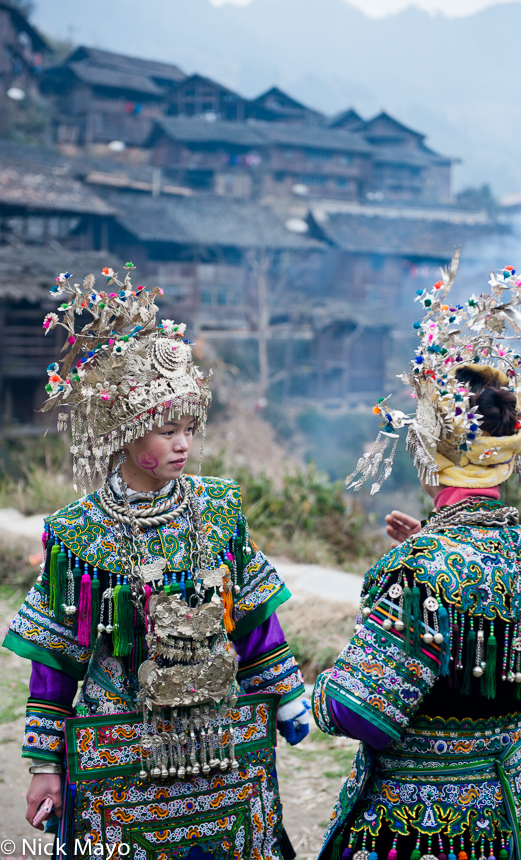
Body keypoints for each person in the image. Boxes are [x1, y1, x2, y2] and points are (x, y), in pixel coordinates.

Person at [3, 265, 309, 860]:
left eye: (189, 429)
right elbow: (55, 656)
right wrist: (45, 763)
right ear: (126, 431)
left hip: (217, 742)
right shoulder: (78, 535)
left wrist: (286, 690)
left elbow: (250, 617)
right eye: (167, 430)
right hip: (121, 747)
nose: (183, 445)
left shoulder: (217, 509)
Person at [312, 257, 521, 860]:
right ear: (508, 453)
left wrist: (317, 691)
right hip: (505, 812)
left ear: (429, 454)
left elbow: (362, 711)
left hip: (417, 822)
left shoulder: (420, 572)